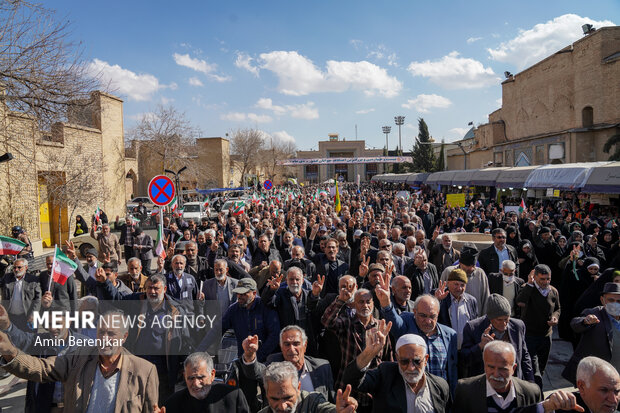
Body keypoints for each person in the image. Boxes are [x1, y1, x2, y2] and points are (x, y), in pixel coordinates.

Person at [0, 309, 159, 412]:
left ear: (124, 337)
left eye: (111, 334)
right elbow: (41, 368)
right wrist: (10, 352)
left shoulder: (144, 371)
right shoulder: (79, 357)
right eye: (101, 332)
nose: (104, 338)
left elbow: (150, 408)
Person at [378, 274, 458, 394]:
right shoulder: (406, 326)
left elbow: (452, 371)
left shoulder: (450, 335)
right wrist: (386, 303)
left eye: (432, 316)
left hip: (440, 399)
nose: (427, 321)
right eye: (422, 316)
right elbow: (394, 321)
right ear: (414, 312)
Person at [343, 332, 452, 413]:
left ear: (426, 359)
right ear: (397, 358)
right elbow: (352, 379)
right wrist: (368, 354)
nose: (411, 367)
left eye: (417, 361)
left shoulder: (440, 386)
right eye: (404, 361)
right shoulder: (385, 375)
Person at [321, 287, 392, 410]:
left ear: (373, 303)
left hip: (374, 393)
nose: (365, 305)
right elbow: (327, 322)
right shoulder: (346, 323)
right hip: (349, 391)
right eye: (361, 302)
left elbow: (388, 358)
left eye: (368, 301)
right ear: (354, 304)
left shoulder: (380, 327)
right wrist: (340, 300)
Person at [239, 325, 335, 402]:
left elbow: (331, 400)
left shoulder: (321, 367)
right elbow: (256, 371)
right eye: (287, 344)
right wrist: (249, 355)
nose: (291, 349)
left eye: (296, 344)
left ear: (305, 346)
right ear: (281, 347)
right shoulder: (274, 364)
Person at [198, 278, 280, 362]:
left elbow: (274, 335)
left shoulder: (265, 307)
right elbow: (216, 330)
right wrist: (198, 352)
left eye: (244, 294)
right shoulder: (233, 309)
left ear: (254, 293)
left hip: (265, 360)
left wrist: (258, 356)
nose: (239, 296)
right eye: (238, 293)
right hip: (243, 360)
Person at [460, 294, 534, 382]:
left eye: (506, 319)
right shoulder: (473, 328)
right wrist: (480, 346)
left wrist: (530, 382)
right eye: (499, 320)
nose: (504, 324)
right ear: (490, 318)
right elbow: (464, 359)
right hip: (485, 384)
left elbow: (524, 357)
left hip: (512, 382)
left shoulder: (518, 326)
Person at [453, 341, 542, 413]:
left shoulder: (531, 392)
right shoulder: (465, 390)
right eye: (491, 367)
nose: (496, 374)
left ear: (513, 368)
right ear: (484, 366)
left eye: (502, 369)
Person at [562, 282, 620, 384]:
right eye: (611, 300)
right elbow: (575, 324)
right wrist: (585, 321)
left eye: (619, 301)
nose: (615, 303)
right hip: (595, 377)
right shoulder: (595, 313)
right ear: (603, 300)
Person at [157, 352, 250, 412]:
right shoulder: (173, 403)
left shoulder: (233, 397)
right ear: (185, 376)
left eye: (201, 377)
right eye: (190, 378)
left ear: (212, 375)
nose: (196, 384)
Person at [516, 265, 561, 384]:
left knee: (541, 367)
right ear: (535, 277)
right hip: (530, 336)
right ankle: (535, 389)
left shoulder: (553, 291)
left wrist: (555, 317)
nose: (545, 282)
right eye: (542, 279)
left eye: (548, 279)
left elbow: (557, 308)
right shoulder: (527, 288)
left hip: (546, 336)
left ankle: (537, 384)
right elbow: (520, 302)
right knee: (532, 367)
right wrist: (530, 284)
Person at [259, 361, 358, 413]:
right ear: (266, 393)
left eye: (288, 398)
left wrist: (341, 411)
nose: (282, 406)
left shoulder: (313, 402)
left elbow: (328, 410)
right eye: (275, 399)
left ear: (298, 388)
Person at [434, 268, 478, 349]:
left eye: (462, 285)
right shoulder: (440, 297)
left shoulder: (471, 301)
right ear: (448, 283)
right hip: (445, 347)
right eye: (456, 284)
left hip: (466, 350)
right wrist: (437, 300)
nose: (459, 288)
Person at [441, 244, 490, 316]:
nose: (470, 269)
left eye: (472, 266)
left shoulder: (480, 273)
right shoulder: (448, 272)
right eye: (466, 267)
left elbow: (486, 300)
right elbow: (441, 296)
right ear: (460, 263)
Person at [0, 258, 41, 331]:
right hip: (11, 317)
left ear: (26, 267)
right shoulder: (7, 278)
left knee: (29, 340)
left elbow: (38, 299)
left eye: (19, 267)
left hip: (27, 317)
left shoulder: (33, 280)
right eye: (14, 267)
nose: (16, 270)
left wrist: (33, 314)